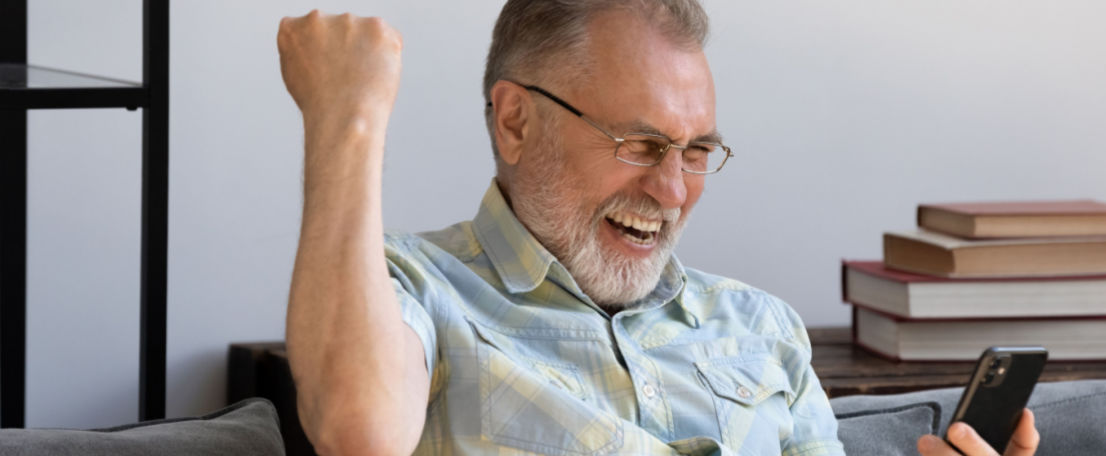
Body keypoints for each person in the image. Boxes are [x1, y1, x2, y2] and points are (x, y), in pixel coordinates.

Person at [277, 1, 1040, 455]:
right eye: (639, 145)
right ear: (515, 122)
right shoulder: (415, 292)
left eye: (698, 151)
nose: (673, 189)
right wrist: (349, 115)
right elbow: (359, 434)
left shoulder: (761, 327)